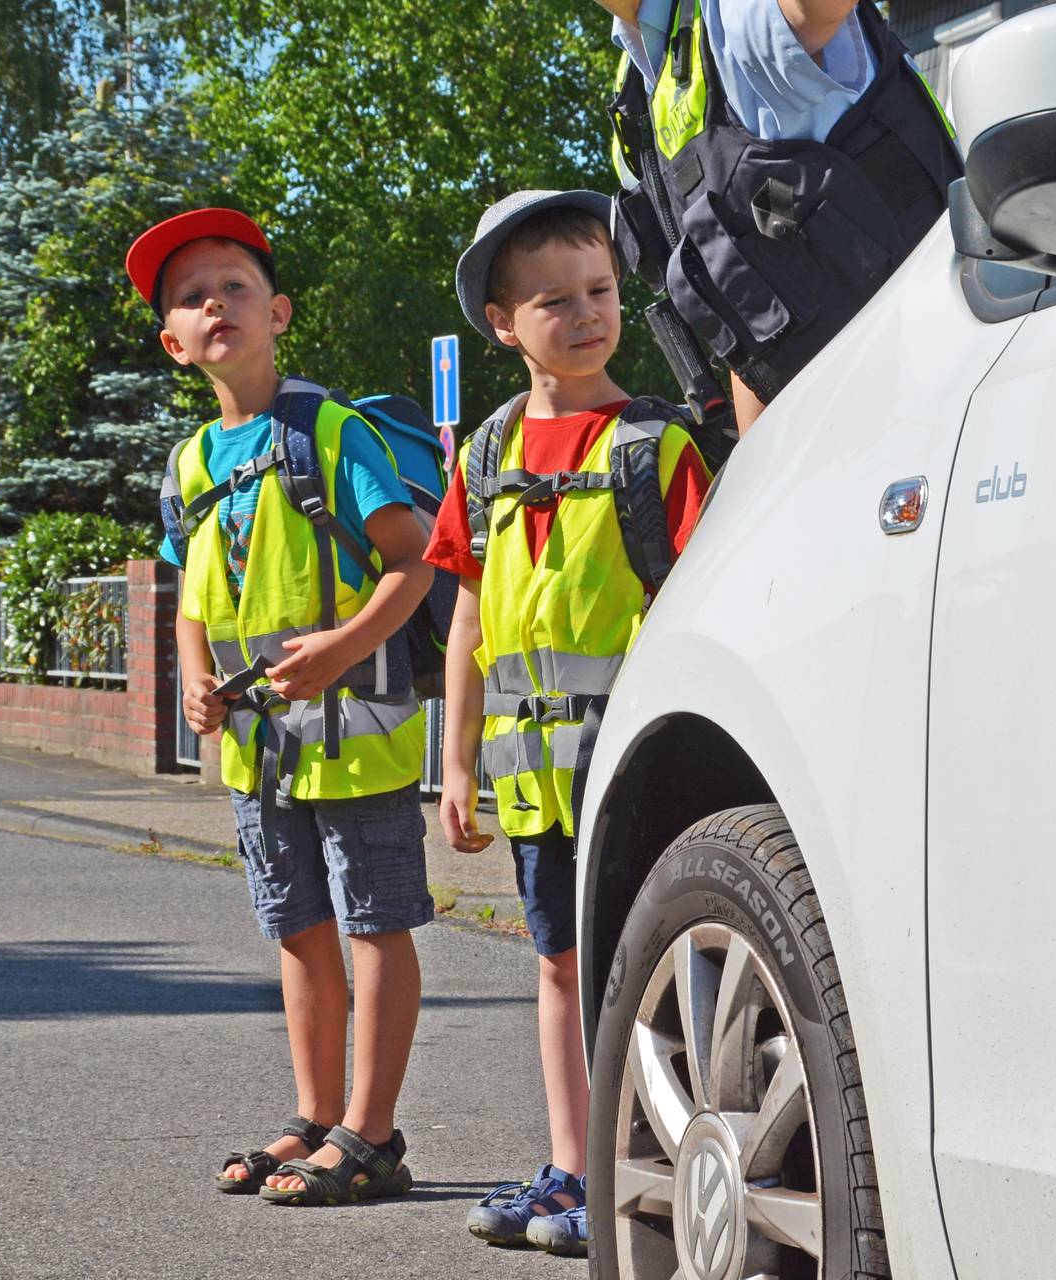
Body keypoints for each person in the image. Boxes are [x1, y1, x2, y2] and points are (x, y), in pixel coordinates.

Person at [127, 207, 437, 1207]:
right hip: (260, 754)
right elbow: (188, 596)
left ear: (278, 311)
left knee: (373, 924)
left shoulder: (324, 431)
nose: (214, 303)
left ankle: (371, 1131)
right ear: (172, 342)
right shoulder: (185, 465)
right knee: (298, 925)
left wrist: (342, 647)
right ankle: (313, 1117)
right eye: (190, 296)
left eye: (234, 285)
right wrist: (191, 682)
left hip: (357, 739)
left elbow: (411, 559)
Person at [428, 190, 715, 1257]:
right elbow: (464, 616)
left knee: (635, 966)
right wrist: (453, 764)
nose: (588, 313)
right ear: (502, 323)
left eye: (599, 291)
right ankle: (574, 1165)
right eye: (554, 299)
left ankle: (637, 1168)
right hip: (536, 784)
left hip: (637, 774)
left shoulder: (654, 447)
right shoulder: (487, 453)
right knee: (557, 965)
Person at [592, 0, 962, 435]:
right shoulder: (636, 93)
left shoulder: (729, 14)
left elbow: (812, 11)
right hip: (838, 435)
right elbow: (746, 302)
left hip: (950, 377)